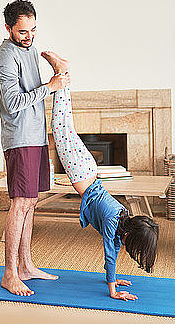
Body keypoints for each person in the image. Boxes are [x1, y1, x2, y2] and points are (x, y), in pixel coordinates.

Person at [49, 67, 159, 301]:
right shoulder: (113, 220)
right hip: (82, 172)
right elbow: (110, 254)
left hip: (88, 169)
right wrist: (113, 291)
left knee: (65, 126)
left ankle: (62, 78)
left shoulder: (122, 216)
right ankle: (61, 75)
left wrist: (113, 277)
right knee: (60, 125)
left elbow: (115, 248)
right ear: (130, 234)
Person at [0, 0, 70, 296]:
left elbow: (34, 94)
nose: (30, 36)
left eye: (33, 29)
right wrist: (49, 87)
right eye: (23, 31)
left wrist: (54, 71)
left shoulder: (30, 50)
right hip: (19, 139)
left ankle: (25, 265)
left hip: (37, 137)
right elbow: (12, 104)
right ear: (8, 28)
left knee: (32, 201)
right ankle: (9, 273)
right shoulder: (5, 57)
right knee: (21, 202)